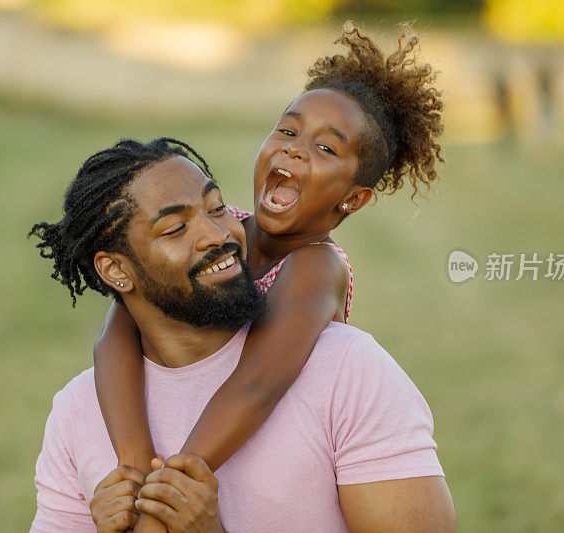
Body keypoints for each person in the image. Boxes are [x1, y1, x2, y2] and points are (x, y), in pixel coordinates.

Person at [92, 23, 444, 531]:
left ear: (354, 197)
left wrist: (169, 498)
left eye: (327, 149)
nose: (295, 150)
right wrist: (135, 465)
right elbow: (117, 334)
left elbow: (257, 384)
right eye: (288, 130)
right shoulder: (220, 227)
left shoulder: (318, 265)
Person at [28, 138, 454, 532]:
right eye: (175, 229)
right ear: (115, 271)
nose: (218, 235)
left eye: (217, 208)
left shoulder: (346, 370)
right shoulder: (77, 413)